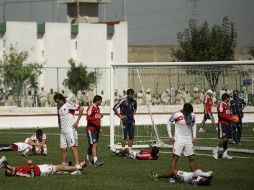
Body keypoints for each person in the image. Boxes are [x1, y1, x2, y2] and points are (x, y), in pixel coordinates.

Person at [53, 93, 84, 175]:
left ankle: (78, 168)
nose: (57, 103)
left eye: (58, 101)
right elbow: (59, 116)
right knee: (63, 149)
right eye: (56, 102)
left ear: (61, 99)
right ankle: (64, 167)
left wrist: (77, 121)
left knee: (73, 147)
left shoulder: (68, 104)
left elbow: (81, 108)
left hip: (70, 130)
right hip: (62, 131)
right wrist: (59, 124)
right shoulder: (58, 106)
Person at [166, 103, 197, 172]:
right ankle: (171, 174)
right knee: (175, 157)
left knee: (191, 158)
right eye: (188, 112)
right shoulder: (176, 114)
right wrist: (170, 135)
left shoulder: (192, 114)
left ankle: (195, 175)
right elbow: (168, 123)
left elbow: (194, 124)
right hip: (178, 139)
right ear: (185, 110)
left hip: (188, 139)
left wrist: (194, 136)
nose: (190, 113)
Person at [0, 156, 86, 177]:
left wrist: (6, 165)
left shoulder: (16, 169)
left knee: (57, 168)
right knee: (61, 167)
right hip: (41, 171)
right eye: (10, 170)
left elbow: (11, 168)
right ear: (12, 173)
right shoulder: (19, 173)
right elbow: (31, 175)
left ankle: (75, 172)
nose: (11, 168)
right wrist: (30, 165)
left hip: (40, 167)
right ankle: (79, 167)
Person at [212, 93, 235, 159]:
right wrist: (230, 118)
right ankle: (215, 150)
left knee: (227, 139)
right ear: (226, 98)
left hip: (228, 124)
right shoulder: (221, 104)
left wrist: (233, 119)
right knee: (224, 138)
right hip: (222, 123)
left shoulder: (228, 106)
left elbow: (229, 115)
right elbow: (220, 115)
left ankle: (225, 153)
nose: (229, 99)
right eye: (229, 97)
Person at [86, 95, 104, 166]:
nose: (101, 102)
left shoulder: (98, 108)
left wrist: (99, 128)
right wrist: (96, 117)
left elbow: (97, 119)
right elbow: (88, 117)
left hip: (96, 129)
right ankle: (95, 160)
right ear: (98, 100)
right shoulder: (91, 107)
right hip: (91, 129)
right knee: (94, 144)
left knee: (92, 145)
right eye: (101, 100)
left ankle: (88, 159)